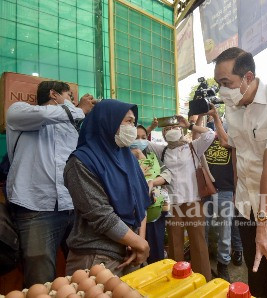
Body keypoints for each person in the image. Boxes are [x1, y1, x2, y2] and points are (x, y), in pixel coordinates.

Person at [214, 47, 267, 297]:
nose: (222, 90)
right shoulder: (232, 106)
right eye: (218, 83)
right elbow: (237, 152)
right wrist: (235, 191)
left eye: (225, 82)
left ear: (248, 78)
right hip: (245, 203)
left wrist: (265, 223)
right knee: (255, 273)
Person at [6, 81, 94, 287]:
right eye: (69, 96)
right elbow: (46, 115)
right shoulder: (19, 111)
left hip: (73, 207)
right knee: (39, 279)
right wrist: (79, 109)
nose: (73, 101)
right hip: (36, 208)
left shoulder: (72, 125)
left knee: (83, 274)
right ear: (54, 94)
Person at [64, 100, 150, 276]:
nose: (132, 127)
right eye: (127, 121)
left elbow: (140, 203)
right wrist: (140, 244)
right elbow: (101, 215)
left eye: (133, 122)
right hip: (96, 257)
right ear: (107, 121)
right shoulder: (81, 162)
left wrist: (138, 241)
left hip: (131, 252)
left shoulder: (128, 158)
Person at [145, 116, 214, 281]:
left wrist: (190, 125)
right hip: (172, 204)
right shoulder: (161, 150)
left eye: (174, 127)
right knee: (175, 244)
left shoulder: (193, 147)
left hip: (193, 201)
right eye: (167, 129)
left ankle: (203, 279)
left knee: (198, 242)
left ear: (181, 130)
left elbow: (210, 134)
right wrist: (150, 127)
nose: (171, 131)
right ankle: (178, 280)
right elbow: (140, 142)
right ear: (162, 133)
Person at [195, 104, 236, 282]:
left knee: (224, 232)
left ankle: (222, 264)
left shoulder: (231, 141)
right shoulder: (207, 137)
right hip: (205, 191)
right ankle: (202, 261)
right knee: (204, 228)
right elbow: (195, 137)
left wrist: (235, 192)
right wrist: (199, 115)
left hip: (226, 191)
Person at [131, 123, 171, 264]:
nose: (140, 140)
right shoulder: (121, 157)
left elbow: (167, 174)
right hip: (133, 219)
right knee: (137, 256)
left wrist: (153, 182)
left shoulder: (152, 156)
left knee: (156, 254)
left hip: (155, 214)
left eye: (143, 137)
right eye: (136, 137)